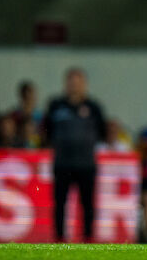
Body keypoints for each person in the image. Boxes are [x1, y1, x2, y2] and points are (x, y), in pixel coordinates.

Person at [43, 67, 106, 242]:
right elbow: (46, 130)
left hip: (85, 164)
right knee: (60, 203)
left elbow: (101, 132)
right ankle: (59, 238)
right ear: (66, 84)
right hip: (62, 163)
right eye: (71, 81)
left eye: (78, 82)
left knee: (87, 204)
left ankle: (88, 237)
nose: (74, 86)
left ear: (84, 84)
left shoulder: (93, 107)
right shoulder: (56, 105)